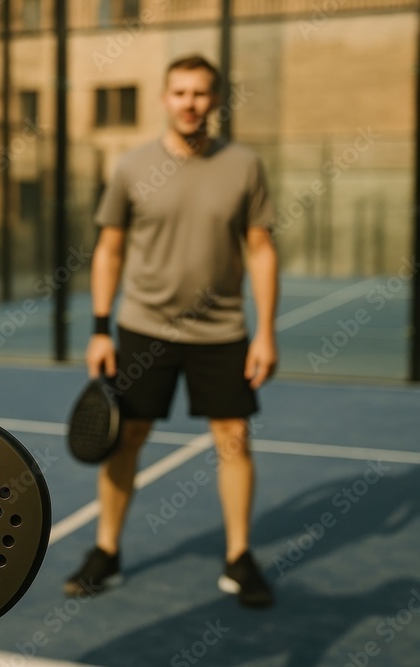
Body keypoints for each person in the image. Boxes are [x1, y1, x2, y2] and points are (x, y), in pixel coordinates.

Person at [64, 55, 278, 607]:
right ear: (164, 99)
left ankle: (238, 557)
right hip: (143, 329)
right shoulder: (133, 166)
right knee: (127, 438)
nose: (190, 103)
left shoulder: (245, 166)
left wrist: (266, 332)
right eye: (180, 92)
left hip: (223, 330)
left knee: (233, 440)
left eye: (201, 93)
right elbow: (108, 250)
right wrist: (100, 329)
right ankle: (106, 550)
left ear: (216, 100)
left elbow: (260, 250)